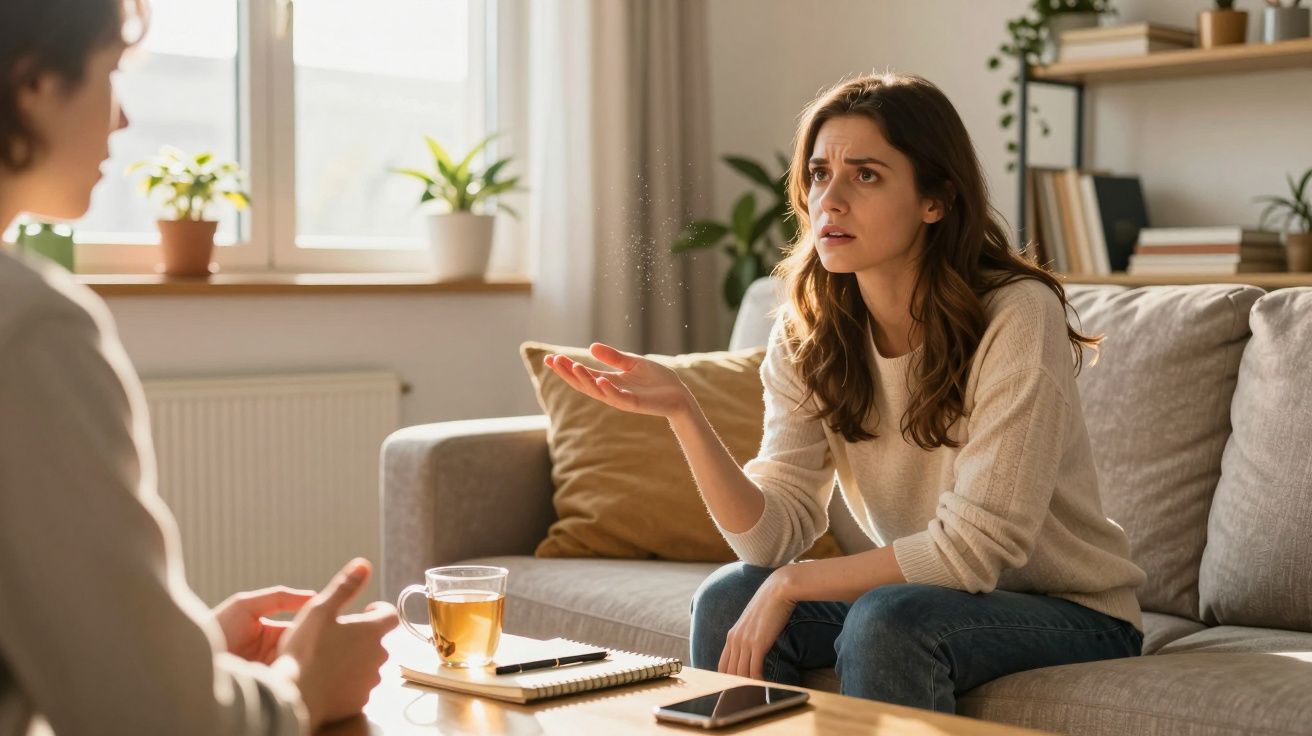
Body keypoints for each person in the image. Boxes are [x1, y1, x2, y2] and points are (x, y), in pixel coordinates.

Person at [543, 72, 1146, 713]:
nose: (829, 199)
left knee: (888, 619)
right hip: (933, 597)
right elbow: (771, 538)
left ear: (935, 200)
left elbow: (976, 549)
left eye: (866, 175)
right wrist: (683, 412)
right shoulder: (809, 329)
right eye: (819, 173)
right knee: (730, 596)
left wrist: (792, 586)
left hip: (1069, 611)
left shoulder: (1016, 315)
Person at [0, 2, 398, 733]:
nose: (121, 122)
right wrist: (303, 684)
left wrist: (190, 648)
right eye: (110, 75)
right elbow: (155, 723)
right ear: (33, 80)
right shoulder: (28, 329)